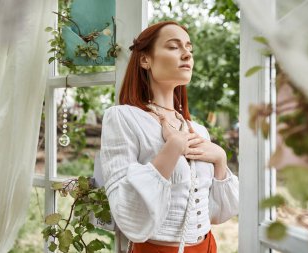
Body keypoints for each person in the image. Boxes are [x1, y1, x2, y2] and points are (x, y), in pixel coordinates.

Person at [99, 20, 239, 253]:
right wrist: (173, 147)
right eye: (174, 47)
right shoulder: (123, 117)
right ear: (145, 59)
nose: (186, 54)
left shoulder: (199, 130)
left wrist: (221, 159)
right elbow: (126, 212)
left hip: (208, 247)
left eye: (189, 49)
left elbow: (217, 213)